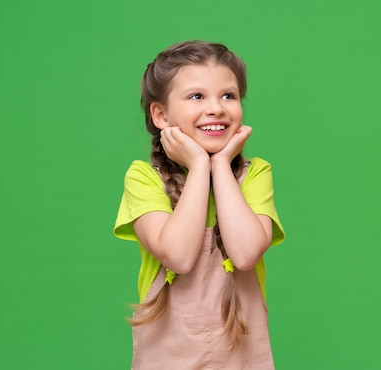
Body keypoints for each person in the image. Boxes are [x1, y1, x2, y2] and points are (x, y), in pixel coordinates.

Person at [113, 40, 285, 369]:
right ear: (161, 114)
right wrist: (198, 167)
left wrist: (220, 165)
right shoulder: (143, 179)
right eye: (197, 96)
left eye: (228, 96)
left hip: (243, 355)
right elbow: (177, 256)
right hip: (167, 357)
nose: (216, 108)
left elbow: (247, 254)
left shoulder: (255, 175)